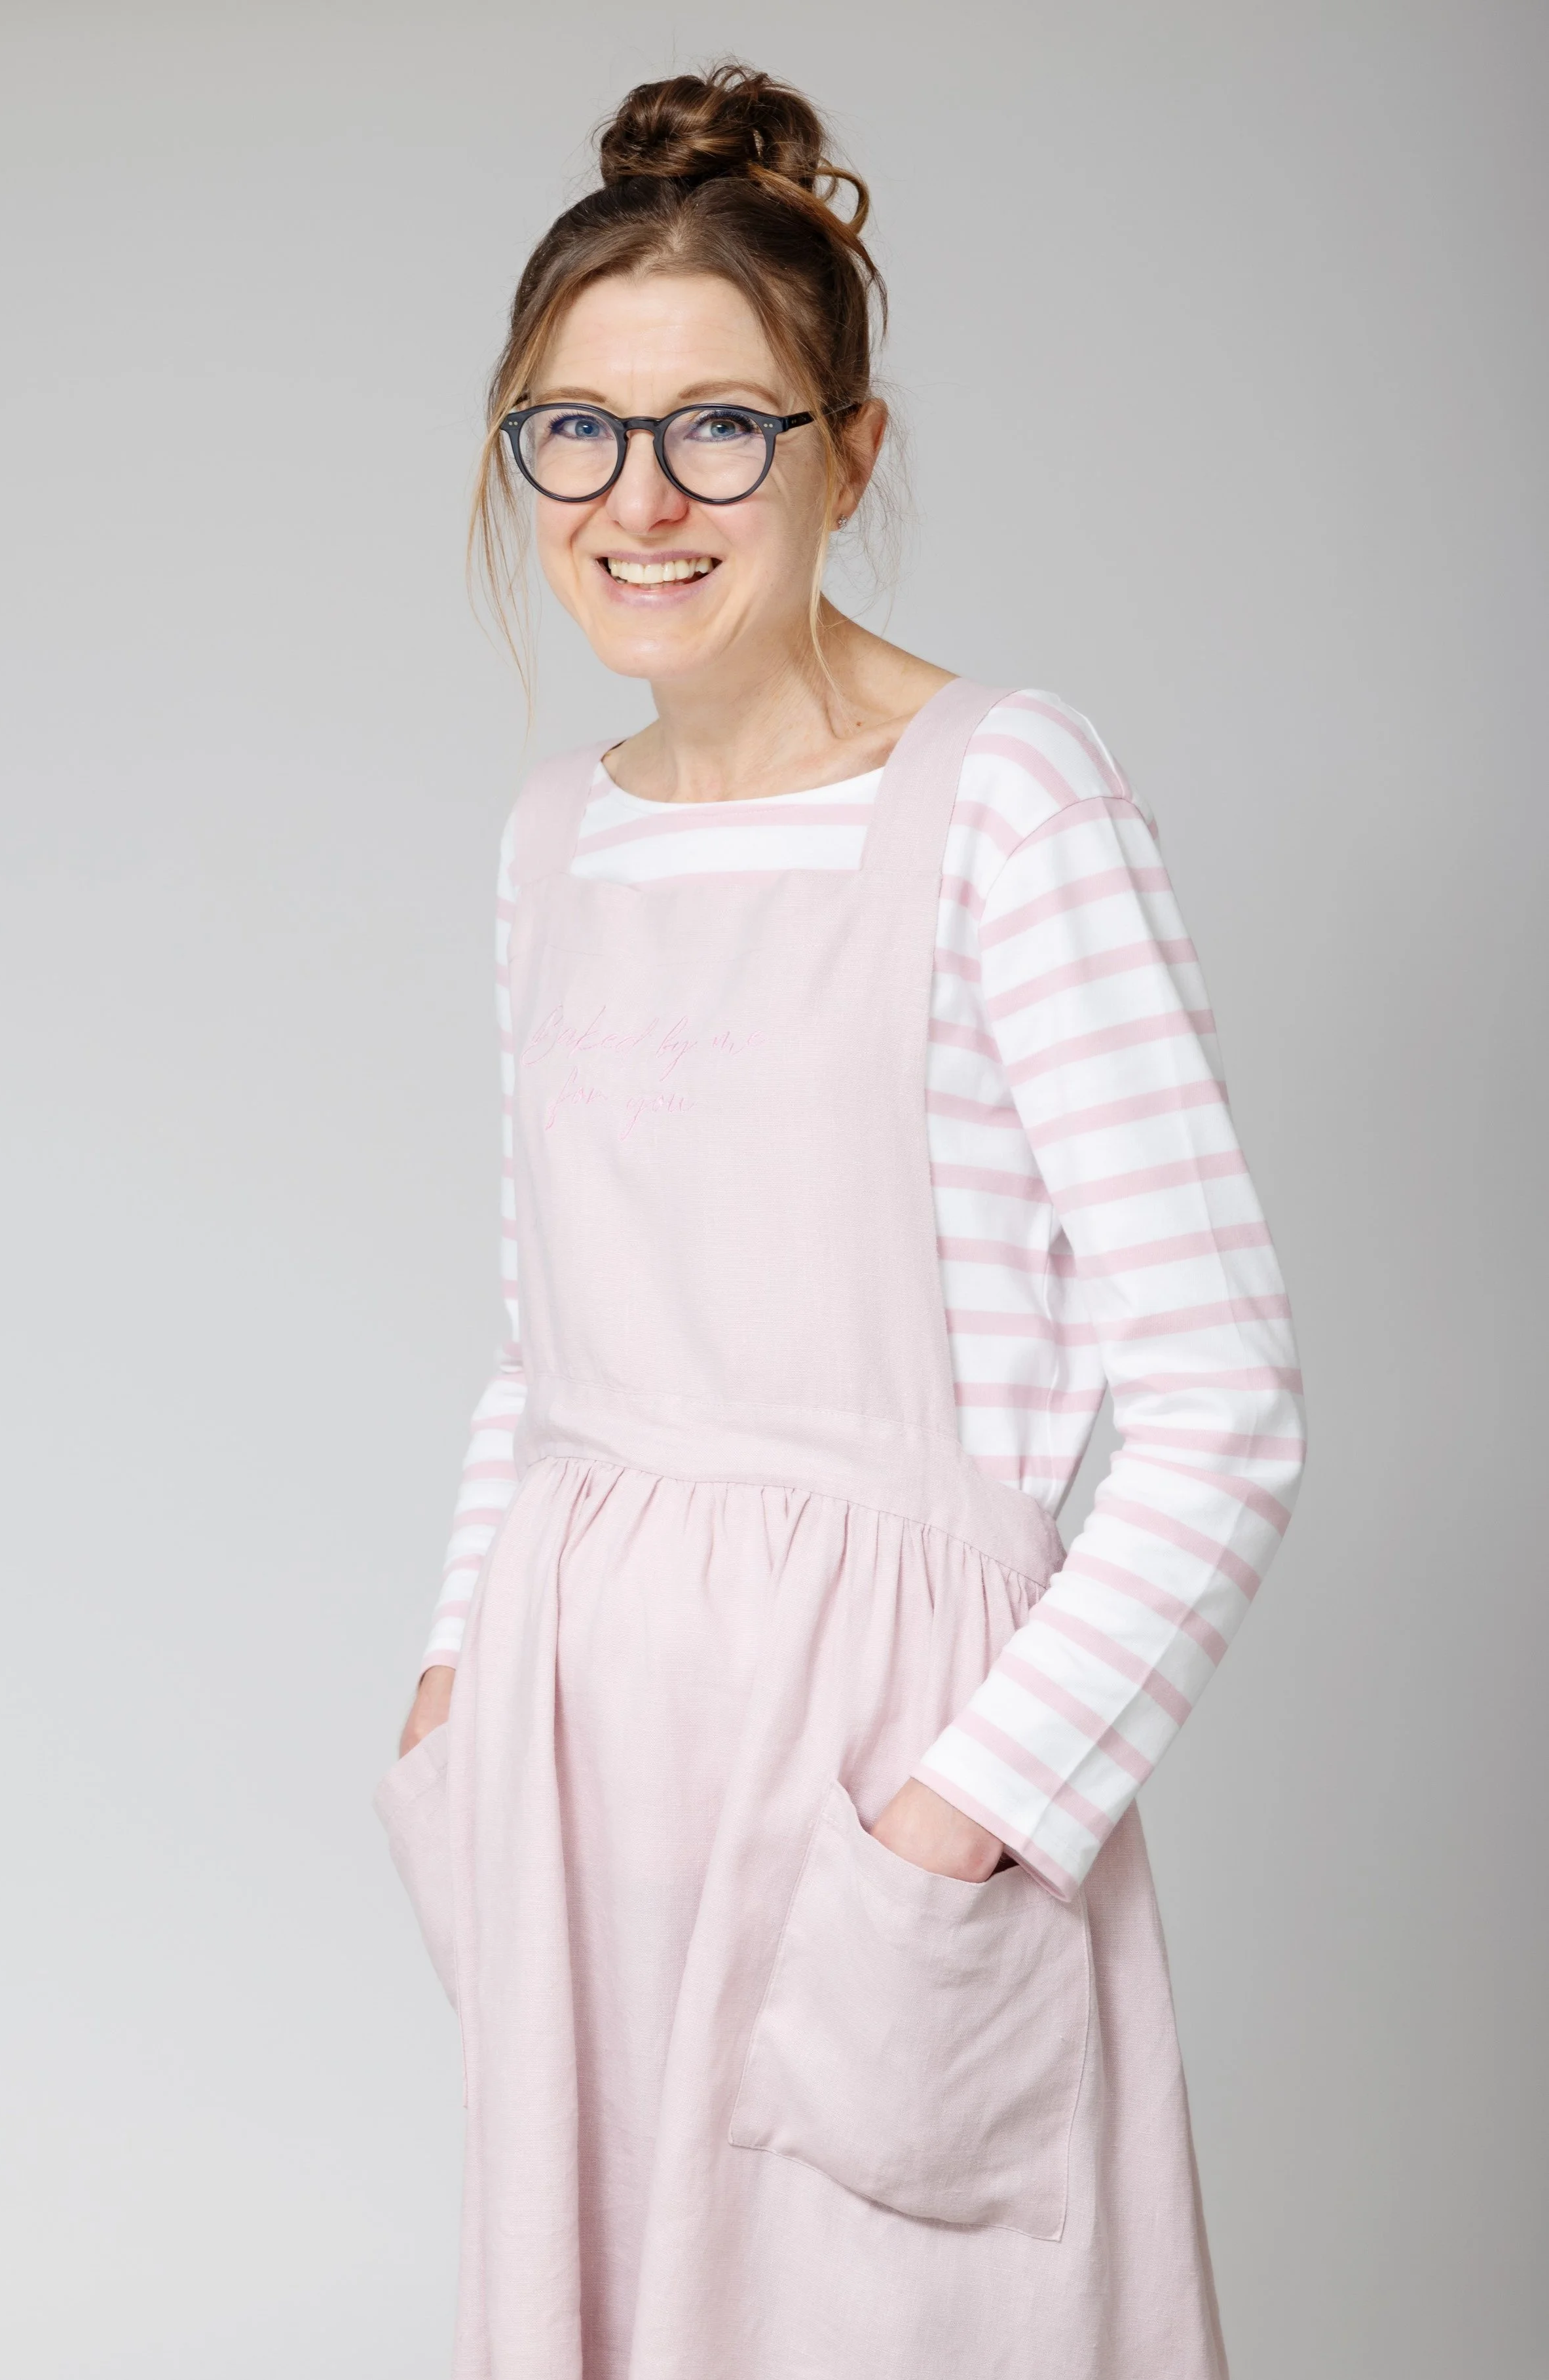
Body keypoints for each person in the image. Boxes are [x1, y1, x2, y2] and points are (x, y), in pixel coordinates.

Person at [375, 60, 1305, 2380]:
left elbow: (1219, 1412)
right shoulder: (551, 840)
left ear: (846, 455)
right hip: (583, 1782)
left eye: (721, 427)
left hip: (879, 1765)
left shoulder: (1007, 800)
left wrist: (955, 1823)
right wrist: (454, 1685)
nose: (639, 497)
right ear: (519, 455)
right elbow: (545, 1346)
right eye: (574, 431)